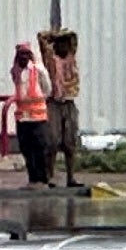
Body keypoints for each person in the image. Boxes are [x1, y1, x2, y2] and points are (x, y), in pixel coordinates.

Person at [39, 26, 83, 186]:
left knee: (70, 142)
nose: (64, 47)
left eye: (66, 43)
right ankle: (49, 176)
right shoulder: (51, 59)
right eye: (60, 44)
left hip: (69, 102)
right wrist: (54, 35)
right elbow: (42, 37)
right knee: (52, 141)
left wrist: (65, 35)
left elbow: (74, 37)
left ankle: (71, 177)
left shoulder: (71, 57)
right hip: (54, 103)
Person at [9, 37, 54, 187]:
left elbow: (47, 89)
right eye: (20, 54)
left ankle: (42, 179)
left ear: (30, 55)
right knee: (26, 149)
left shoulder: (38, 69)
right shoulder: (15, 70)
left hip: (38, 117)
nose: (23, 57)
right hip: (22, 118)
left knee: (40, 149)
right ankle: (32, 178)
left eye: (26, 54)